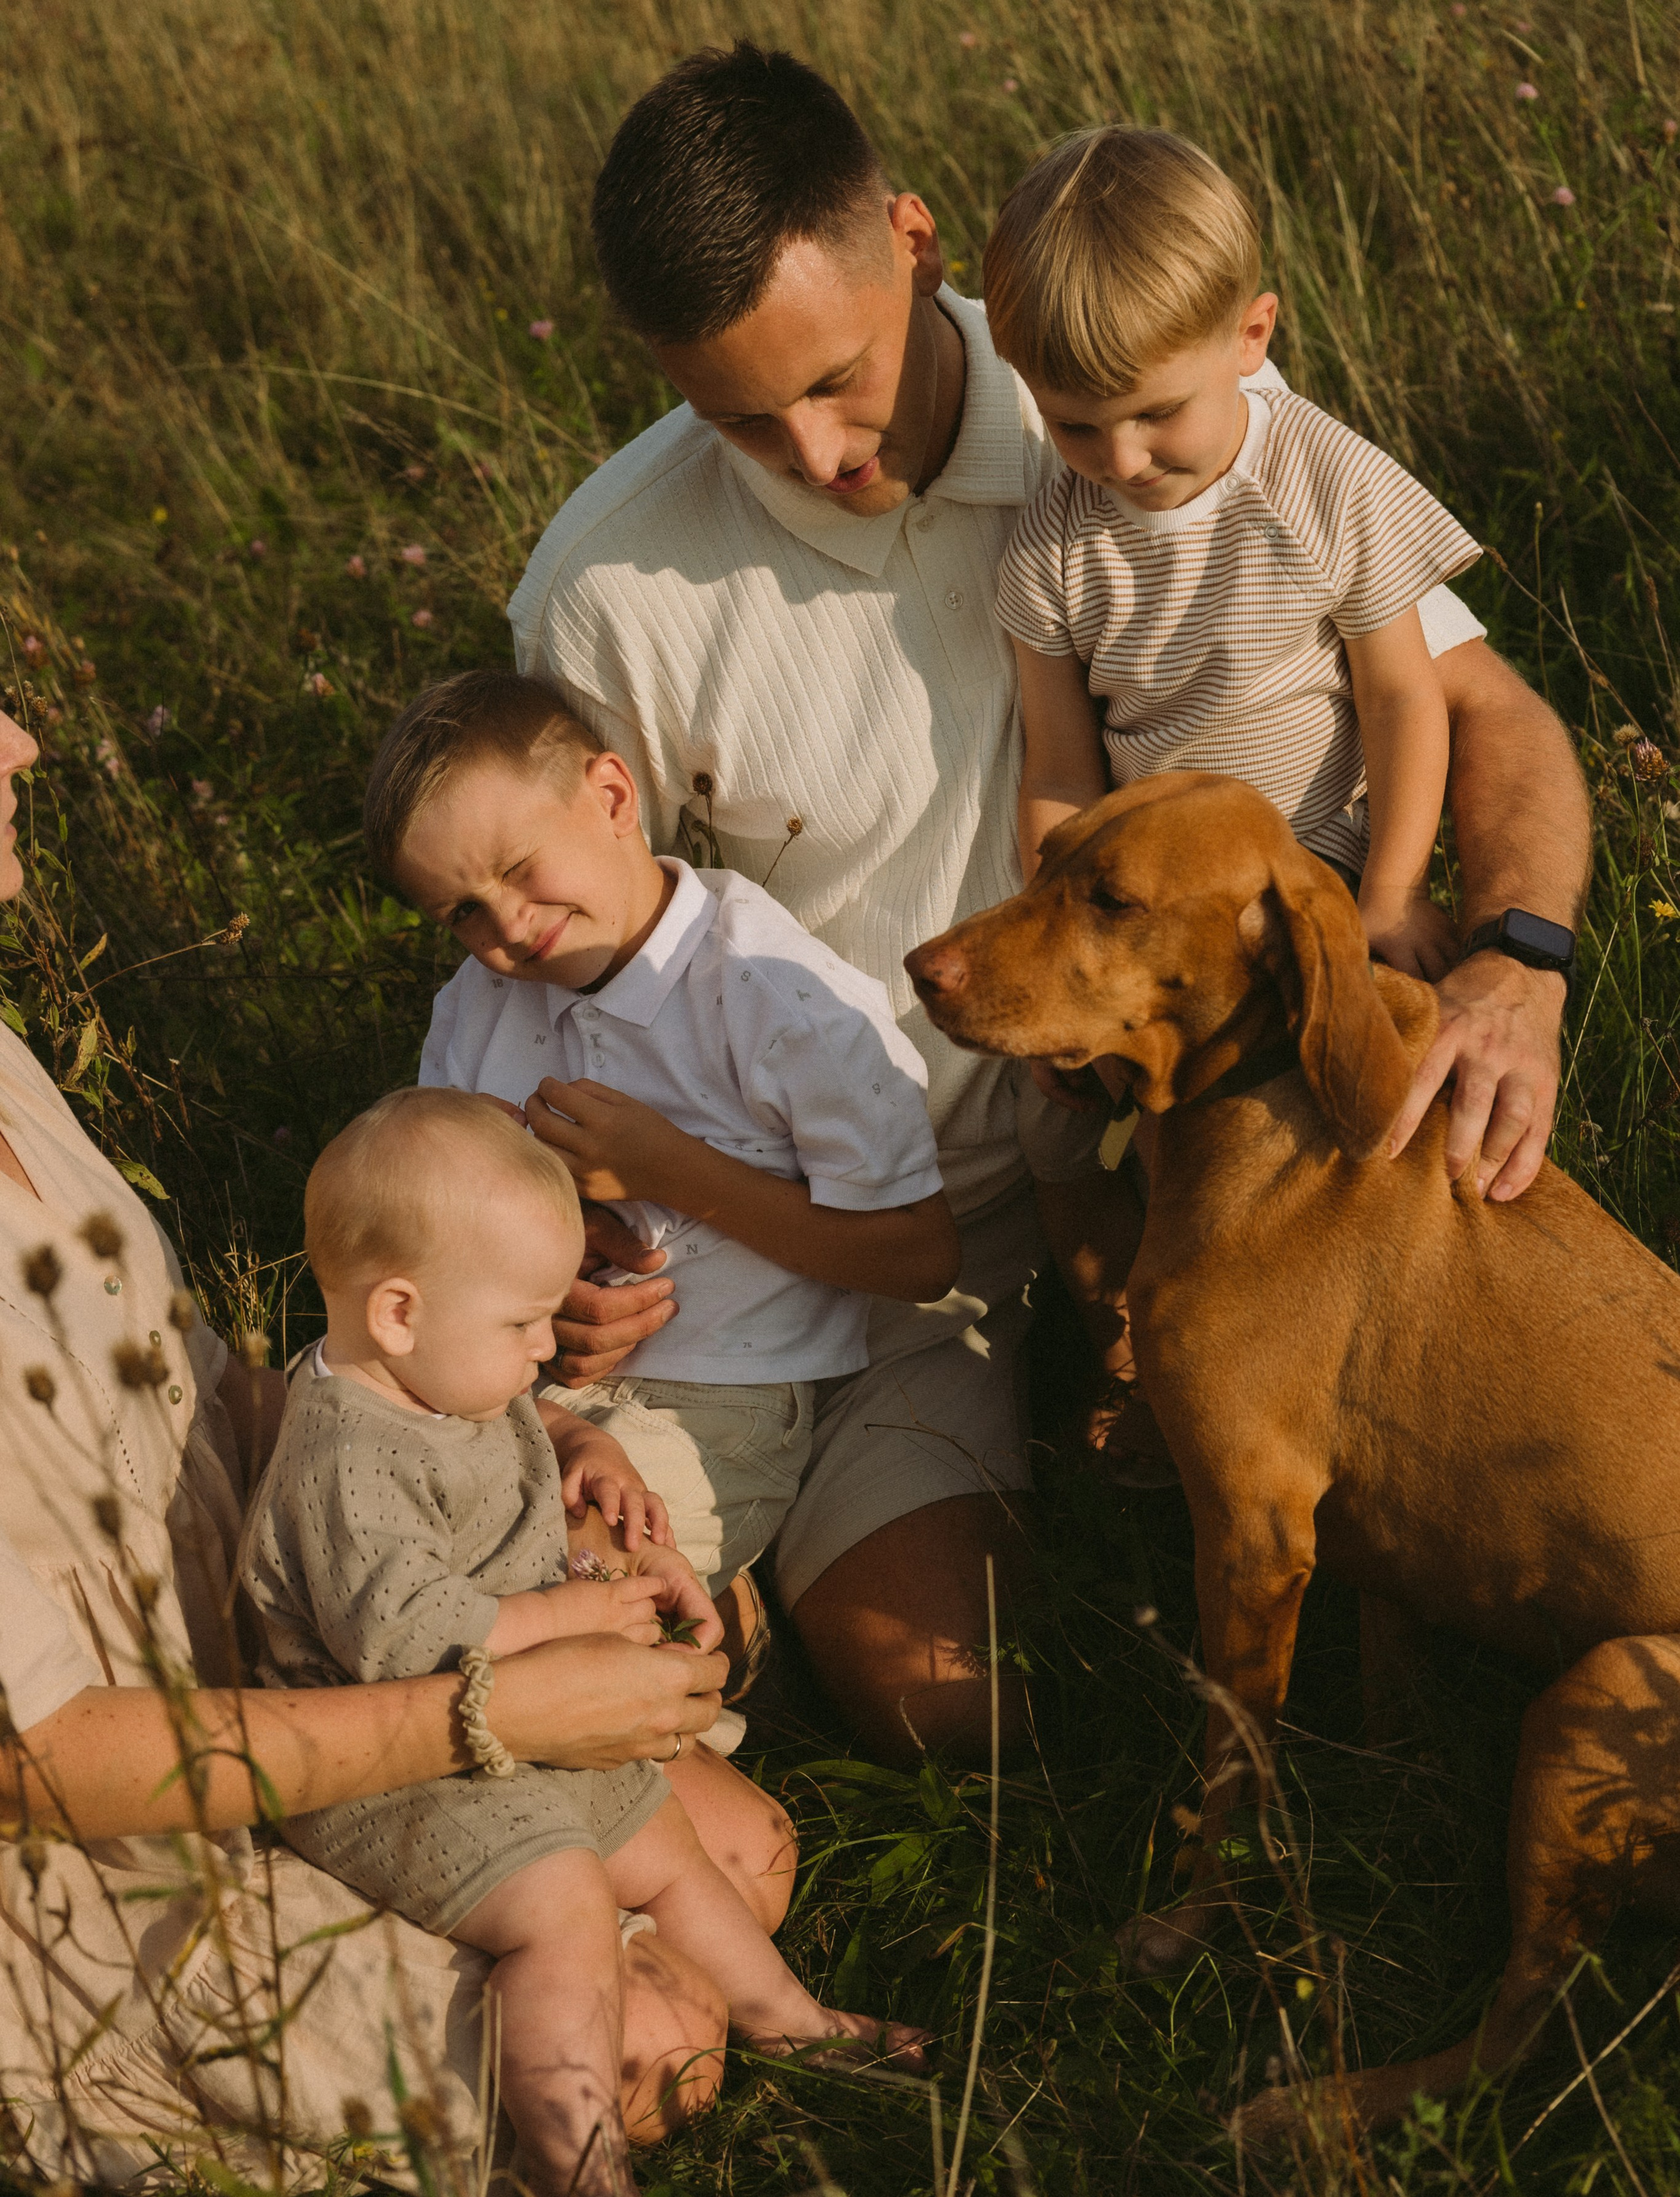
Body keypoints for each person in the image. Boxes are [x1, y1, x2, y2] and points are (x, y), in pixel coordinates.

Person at [509, 43, 1589, 1762]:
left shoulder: (1127, 402)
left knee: (984, 1696)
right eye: (735, 416)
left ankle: (1039, 1468)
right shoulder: (612, 585)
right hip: (812, 1229)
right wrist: (555, 1223)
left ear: (918, 244)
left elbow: (1485, 713)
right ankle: (763, 1557)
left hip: (1131, 1172)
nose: (814, 449)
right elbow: (545, 953)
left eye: (842, 382)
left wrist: (1518, 956)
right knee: (792, 1679)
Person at [0, 700, 789, 2194]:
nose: (24, 743)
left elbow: (206, 1387)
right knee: (662, 2031)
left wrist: (516, 1425)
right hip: (98, 1862)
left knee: (739, 1862)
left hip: (279, 1664)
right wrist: (493, 1717)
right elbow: (33, 1766)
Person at [241, 1089, 925, 2197]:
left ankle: (792, 2020)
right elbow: (405, 1637)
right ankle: (583, 2189)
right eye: (521, 1325)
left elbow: (504, 1538)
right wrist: (571, 1618)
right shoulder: (351, 1455)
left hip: (490, 1712)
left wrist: (608, 1570)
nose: (544, 1349)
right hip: (377, 1758)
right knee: (560, 1902)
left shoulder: (455, 1389)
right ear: (400, 1314)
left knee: (657, 1831)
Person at [361, 670, 958, 1656]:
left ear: (611, 797)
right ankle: (708, 1625)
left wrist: (671, 1172)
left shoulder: (772, 995)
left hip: (718, 1395)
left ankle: (678, 1701)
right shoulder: (478, 1007)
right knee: (370, 1532)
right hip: (525, 1387)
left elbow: (920, 1256)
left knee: (558, 1588)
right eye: (463, 912)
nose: (506, 928)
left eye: (518, 868)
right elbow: (428, 1226)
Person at [988, 127, 1480, 982]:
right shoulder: (1051, 550)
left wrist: (1394, 892)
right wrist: (1060, 940)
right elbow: (1063, 770)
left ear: (1251, 336)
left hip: (1325, 867)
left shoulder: (1327, 482)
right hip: (1160, 910)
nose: (1123, 460)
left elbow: (1401, 696)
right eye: (1074, 426)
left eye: (1158, 413)